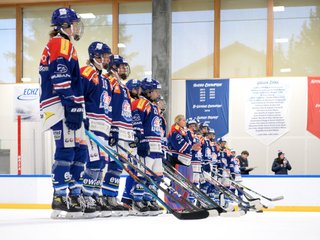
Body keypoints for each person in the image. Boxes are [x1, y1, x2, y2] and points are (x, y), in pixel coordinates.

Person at [39, 7, 86, 218]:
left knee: (76, 149)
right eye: (74, 23)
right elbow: (60, 74)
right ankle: (59, 196)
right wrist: (69, 102)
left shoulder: (65, 43)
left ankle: (73, 193)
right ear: (64, 26)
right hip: (58, 103)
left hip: (63, 102)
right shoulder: (60, 42)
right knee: (66, 149)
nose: (76, 27)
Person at [80, 41, 113, 217]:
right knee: (92, 161)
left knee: (101, 163)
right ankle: (84, 195)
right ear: (96, 57)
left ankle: (94, 193)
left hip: (103, 127)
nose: (108, 59)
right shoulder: (86, 73)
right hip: (91, 123)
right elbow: (79, 95)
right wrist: (82, 116)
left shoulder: (104, 79)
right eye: (105, 56)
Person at [101, 55, 135, 216]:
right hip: (115, 129)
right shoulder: (109, 81)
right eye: (120, 66)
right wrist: (113, 128)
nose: (124, 69)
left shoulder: (122, 86)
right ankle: (106, 197)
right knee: (111, 164)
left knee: (118, 166)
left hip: (124, 132)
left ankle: (112, 197)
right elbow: (110, 106)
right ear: (113, 67)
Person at [130, 77, 163, 215]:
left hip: (157, 145)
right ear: (148, 91)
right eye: (155, 91)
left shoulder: (154, 106)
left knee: (157, 175)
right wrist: (141, 140)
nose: (158, 94)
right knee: (143, 174)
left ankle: (149, 199)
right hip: (147, 144)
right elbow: (137, 122)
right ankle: (137, 200)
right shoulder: (140, 103)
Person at [166, 115, 201, 210]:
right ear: (178, 121)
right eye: (183, 120)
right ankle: (172, 204)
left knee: (184, 184)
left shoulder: (183, 131)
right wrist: (191, 148)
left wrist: (194, 149)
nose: (185, 122)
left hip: (184, 161)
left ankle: (182, 204)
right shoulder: (174, 130)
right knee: (176, 183)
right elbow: (179, 145)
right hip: (176, 160)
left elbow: (189, 146)